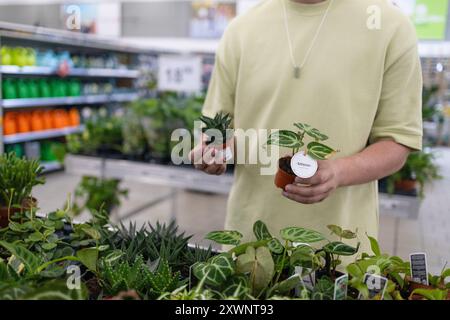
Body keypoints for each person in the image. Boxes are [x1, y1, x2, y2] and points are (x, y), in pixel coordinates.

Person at [190, 0, 422, 253]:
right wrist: (212, 150)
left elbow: (398, 140)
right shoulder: (242, 29)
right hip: (248, 244)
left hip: (340, 251)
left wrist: (338, 172)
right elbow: (218, 127)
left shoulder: (390, 25)